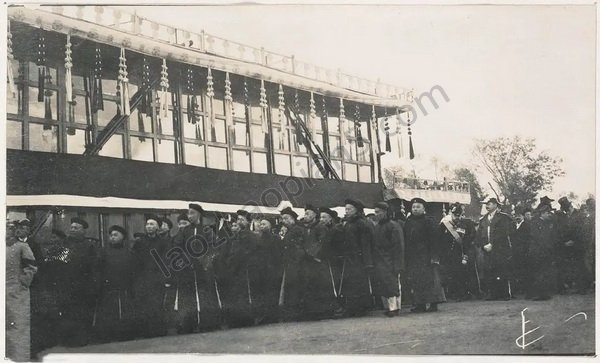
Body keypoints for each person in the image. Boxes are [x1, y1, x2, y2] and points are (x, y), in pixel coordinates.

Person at [170, 203, 221, 333]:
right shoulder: (184, 232)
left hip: (203, 269)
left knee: (206, 295)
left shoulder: (207, 230)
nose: (189, 216)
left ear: (199, 214)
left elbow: (213, 248)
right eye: (188, 213)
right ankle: (188, 324)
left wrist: (205, 262)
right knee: (187, 296)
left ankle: (209, 323)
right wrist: (186, 261)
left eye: (192, 213)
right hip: (188, 269)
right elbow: (177, 247)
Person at [94, 225, 136, 343]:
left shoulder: (129, 253)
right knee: (109, 312)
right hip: (108, 288)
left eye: (115, 235)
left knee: (125, 311)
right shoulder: (103, 252)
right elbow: (97, 269)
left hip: (124, 288)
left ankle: (125, 334)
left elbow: (133, 270)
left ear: (123, 237)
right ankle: (107, 335)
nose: (112, 237)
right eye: (111, 235)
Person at [404, 198, 446, 312]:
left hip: (427, 256)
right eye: (413, 207)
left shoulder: (429, 221)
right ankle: (420, 304)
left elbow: (434, 240)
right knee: (416, 280)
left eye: (418, 207)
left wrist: (434, 256)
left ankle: (433, 304)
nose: (415, 209)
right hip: (414, 257)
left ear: (424, 209)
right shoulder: (408, 222)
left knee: (430, 280)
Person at [131, 215, 170, 338]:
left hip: (156, 278)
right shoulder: (139, 243)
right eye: (147, 224)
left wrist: (165, 279)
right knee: (143, 304)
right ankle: (143, 331)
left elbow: (166, 261)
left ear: (158, 227)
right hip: (142, 278)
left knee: (156, 304)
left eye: (152, 224)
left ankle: (157, 331)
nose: (149, 226)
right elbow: (134, 260)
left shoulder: (163, 243)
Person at [218, 210, 258, 327]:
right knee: (237, 294)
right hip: (236, 269)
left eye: (242, 219)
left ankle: (245, 319)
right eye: (238, 219)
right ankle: (239, 319)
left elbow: (246, 253)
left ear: (248, 222)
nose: (239, 222)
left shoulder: (250, 236)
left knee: (244, 294)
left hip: (244, 269)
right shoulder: (236, 236)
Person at [6, 222, 38, 362]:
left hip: (17, 292)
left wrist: (23, 283)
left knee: (18, 325)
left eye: (10, 229)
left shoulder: (22, 246)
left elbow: (31, 267)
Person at [301, 204, 338, 320]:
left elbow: (323, 242)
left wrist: (314, 254)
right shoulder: (308, 227)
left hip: (319, 260)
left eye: (308, 213)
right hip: (310, 261)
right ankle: (314, 311)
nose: (305, 216)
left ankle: (326, 311)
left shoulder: (320, 227)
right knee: (313, 285)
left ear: (314, 215)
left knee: (323, 285)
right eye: (305, 213)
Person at [340, 199, 374, 317]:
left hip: (359, 258)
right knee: (350, 283)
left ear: (356, 210)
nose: (347, 211)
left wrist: (367, 261)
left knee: (359, 283)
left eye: (349, 209)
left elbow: (366, 243)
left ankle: (361, 307)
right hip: (349, 257)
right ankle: (351, 307)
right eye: (346, 209)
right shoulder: (348, 223)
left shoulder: (361, 223)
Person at [475, 198, 513, 301]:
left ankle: (505, 293)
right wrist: (483, 245)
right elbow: (479, 235)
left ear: (496, 205)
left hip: (500, 249)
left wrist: (493, 244)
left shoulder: (503, 218)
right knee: (489, 271)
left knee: (501, 270)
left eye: (489, 204)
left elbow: (504, 233)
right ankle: (492, 293)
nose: (487, 206)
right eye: (486, 204)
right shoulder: (483, 220)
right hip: (487, 249)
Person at [371, 202, 405, 317]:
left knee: (392, 283)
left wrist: (398, 263)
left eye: (378, 212)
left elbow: (398, 245)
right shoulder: (378, 226)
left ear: (385, 212)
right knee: (386, 283)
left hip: (391, 259)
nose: (376, 214)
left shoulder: (393, 226)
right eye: (375, 212)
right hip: (381, 259)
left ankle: (394, 308)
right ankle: (392, 307)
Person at [439, 203, 477, 301]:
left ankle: (465, 293)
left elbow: (471, 238)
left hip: (463, 252)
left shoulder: (468, 223)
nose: (457, 217)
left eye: (459, 215)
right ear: (450, 213)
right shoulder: (444, 224)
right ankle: (454, 293)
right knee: (452, 274)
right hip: (450, 254)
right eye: (454, 214)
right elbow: (441, 239)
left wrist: (466, 254)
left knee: (463, 274)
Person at [249, 219, 282, 324]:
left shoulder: (276, 238)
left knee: (272, 292)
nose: (262, 226)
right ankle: (264, 315)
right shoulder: (257, 239)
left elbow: (278, 254)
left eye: (264, 224)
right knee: (262, 292)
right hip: (261, 270)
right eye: (261, 224)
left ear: (270, 225)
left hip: (272, 269)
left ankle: (273, 315)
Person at [278, 207, 307, 321]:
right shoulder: (288, 230)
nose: (284, 221)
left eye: (286, 218)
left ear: (293, 219)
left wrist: (295, 260)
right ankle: (292, 312)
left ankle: (296, 313)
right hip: (290, 263)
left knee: (296, 287)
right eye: (282, 219)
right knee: (291, 288)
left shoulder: (297, 229)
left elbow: (299, 247)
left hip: (296, 264)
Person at [526, 203, 559, 300]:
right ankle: (539, 294)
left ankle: (544, 293)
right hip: (538, 252)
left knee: (544, 273)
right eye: (548, 213)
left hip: (544, 251)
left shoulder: (545, 223)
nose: (549, 215)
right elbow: (538, 238)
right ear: (543, 213)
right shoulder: (535, 223)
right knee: (539, 273)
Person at [555, 196, 587, 294]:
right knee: (568, 266)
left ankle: (582, 288)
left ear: (570, 206)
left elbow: (582, 231)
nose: (566, 211)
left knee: (580, 265)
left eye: (567, 209)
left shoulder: (579, 215)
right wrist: (564, 242)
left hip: (578, 244)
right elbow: (561, 231)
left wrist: (574, 241)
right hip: (566, 245)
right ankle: (570, 286)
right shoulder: (564, 217)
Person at [510, 206, 532, 296]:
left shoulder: (527, 226)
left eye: (519, 215)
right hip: (514, 251)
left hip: (524, 251)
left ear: (523, 216)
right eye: (516, 215)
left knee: (525, 270)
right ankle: (517, 289)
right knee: (516, 270)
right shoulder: (512, 225)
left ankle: (525, 289)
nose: (517, 217)